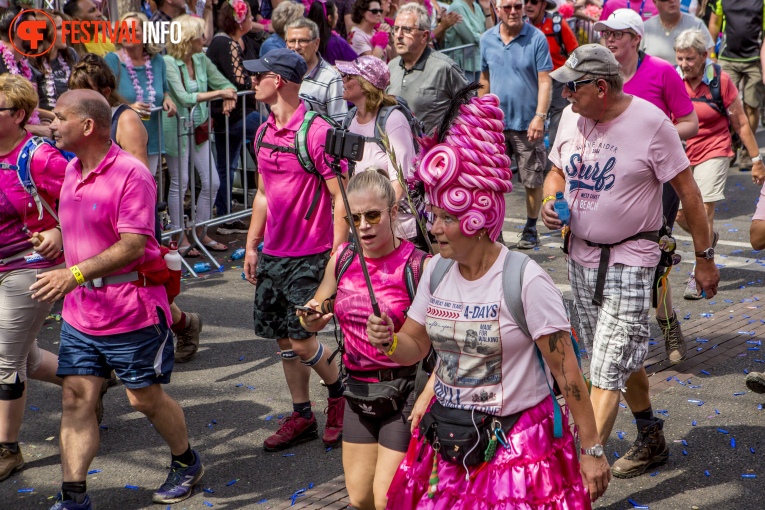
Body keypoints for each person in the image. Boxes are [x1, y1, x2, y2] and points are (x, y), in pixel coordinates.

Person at [367, 92, 610, 508]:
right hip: (450, 438)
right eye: (433, 216)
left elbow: (568, 372)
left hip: (516, 447)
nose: (436, 228)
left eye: (447, 218)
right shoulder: (435, 272)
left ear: (480, 220)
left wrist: (592, 449)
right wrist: (388, 340)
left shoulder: (524, 280)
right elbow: (415, 346)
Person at [542, 44, 719, 480]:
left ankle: (580, 478)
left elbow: (690, 194)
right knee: (616, 356)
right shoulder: (571, 118)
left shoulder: (651, 123)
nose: (566, 96)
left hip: (632, 258)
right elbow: (556, 172)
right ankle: (650, 434)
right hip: (580, 257)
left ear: (601, 87)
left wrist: (705, 258)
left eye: (573, 88)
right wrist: (550, 200)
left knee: (603, 369)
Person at [33, 89, 204, 509]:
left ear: (87, 125)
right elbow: (74, 221)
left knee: (142, 397)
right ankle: (74, 496)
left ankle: (186, 462)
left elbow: (131, 245)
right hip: (80, 314)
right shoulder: (72, 169)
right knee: (76, 398)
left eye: (59, 117)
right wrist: (56, 237)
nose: (52, 125)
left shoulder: (131, 174)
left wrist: (73, 273)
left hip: (133, 309)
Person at [299, 169, 430, 510]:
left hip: (403, 393)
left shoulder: (418, 266)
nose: (364, 226)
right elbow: (318, 307)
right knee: (359, 499)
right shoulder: (342, 258)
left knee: (388, 500)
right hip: (357, 390)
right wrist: (311, 314)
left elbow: (430, 345)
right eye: (354, 218)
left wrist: (391, 340)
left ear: (392, 210)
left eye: (372, 215)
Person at [243, 48, 348, 451]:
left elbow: (340, 198)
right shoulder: (262, 130)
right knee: (284, 342)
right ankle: (302, 414)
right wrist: (253, 245)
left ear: (280, 81)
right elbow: (263, 194)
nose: (252, 81)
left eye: (259, 75)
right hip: (275, 255)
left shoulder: (317, 132)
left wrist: (335, 259)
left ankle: (339, 395)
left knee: (303, 339)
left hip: (312, 254)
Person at [68, 54, 204, 364]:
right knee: (109, 285)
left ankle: (172, 331)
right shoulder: (84, 125)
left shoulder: (124, 119)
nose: (80, 102)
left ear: (105, 92)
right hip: (96, 221)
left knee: (139, 285)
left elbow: (138, 177)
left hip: (127, 222)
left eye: (86, 93)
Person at [594, 8, 698, 364]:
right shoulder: (597, 76)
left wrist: (653, 137)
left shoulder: (661, 71)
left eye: (616, 34)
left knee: (652, 255)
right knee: (605, 253)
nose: (608, 39)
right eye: (605, 33)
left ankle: (666, 323)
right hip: (608, 176)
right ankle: (619, 334)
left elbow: (690, 123)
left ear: (636, 38)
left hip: (658, 179)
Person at [0, 75, 69, 483]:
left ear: (20, 115)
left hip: (31, 265)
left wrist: (60, 232)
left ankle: (7, 449)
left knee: (6, 358)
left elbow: (82, 200)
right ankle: (87, 379)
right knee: (24, 356)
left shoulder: (40, 157)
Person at [675, 29, 765, 299]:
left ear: (704, 56)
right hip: (679, 152)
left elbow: (740, 122)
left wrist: (757, 160)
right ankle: (708, 240)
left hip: (715, 148)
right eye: (679, 58)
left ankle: (698, 271)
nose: (684, 64)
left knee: (703, 210)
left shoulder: (719, 79)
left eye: (689, 59)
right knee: (681, 216)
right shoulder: (672, 78)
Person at [163, 15, 239, 257]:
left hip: (200, 128)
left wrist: (229, 95)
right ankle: (179, 237)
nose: (204, 38)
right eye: (200, 34)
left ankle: (200, 231)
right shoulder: (167, 62)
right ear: (187, 38)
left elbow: (227, 83)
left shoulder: (200, 58)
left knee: (212, 182)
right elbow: (184, 98)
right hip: (176, 129)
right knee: (180, 182)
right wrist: (220, 93)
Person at [480, 0, 552, 250]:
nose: (513, 11)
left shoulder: (537, 38)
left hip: (527, 125)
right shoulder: (486, 39)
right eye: (507, 6)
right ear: (496, 9)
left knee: (532, 179)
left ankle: (531, 229)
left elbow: (545, 81)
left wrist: (539, 116)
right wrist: (481, 115)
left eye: (517, 6)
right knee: (492, 182)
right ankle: (495, 229)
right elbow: (484, 78)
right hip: (496, 127)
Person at [337, 56, 420, 245]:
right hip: (363, 227)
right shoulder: (349, 119)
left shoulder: (393, 120)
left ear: (366, 84)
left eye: (348, 76)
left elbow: (401, 180)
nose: (343, 80)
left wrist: (378, 220)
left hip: (395, 230)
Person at [207, 0, 262, 232]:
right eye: (249, 16)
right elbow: (239, 79)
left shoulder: (237, 41)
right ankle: (225, 216)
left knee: (227, 165)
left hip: (236, 112)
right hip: (232, 114)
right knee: (271, 132)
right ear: (240, 20)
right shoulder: (224, 42)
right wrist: (256, 82)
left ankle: (225, 217)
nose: (252, 20)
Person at [105, 12, 177, 178]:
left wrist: (167, 99)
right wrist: (128, 108)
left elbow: (164, 89)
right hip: (122, 140)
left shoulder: (158, 61)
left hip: (152, 136)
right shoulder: (112, 60)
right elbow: (103, 97)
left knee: (146, 183)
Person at [387, 3, 469, 136]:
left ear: (424, 36)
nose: (399, 35)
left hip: (433, 153)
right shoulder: (391, 67)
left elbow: (471, 108)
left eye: (406, 29)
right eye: (395, 29)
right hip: (395, 151)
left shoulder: (444, 67)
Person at [709, 0, 765, 172]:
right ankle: (733, 141)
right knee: (725, 106)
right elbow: (714, 22)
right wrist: (711, 55)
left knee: (751, 106)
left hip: (754, 60)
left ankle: (748, 151)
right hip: (728, 58)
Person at [525, 0, 579, 147]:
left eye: (534, 2)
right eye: (525, 1)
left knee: (557, 124)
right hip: (533, 82)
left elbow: (575, 53)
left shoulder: (557, 24)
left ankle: (555, 164)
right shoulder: (521, 26)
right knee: (534, 122)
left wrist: (573, 80)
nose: (528, 5)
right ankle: (537, 162)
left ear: (543, 5)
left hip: (558, 82)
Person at [286, 18, 348, 124]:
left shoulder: (331, 77)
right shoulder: (281, 72)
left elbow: (338, 124)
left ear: (316, 44)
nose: (296, 47)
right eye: (292, 41)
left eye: (302, 41)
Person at [31, 11, 80, 112]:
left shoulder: (70, 55)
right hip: (47, 123)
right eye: (59, 28)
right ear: (44, 33)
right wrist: (59, 118)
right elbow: (33, 110)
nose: (66, 31)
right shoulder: (32, 62)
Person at [642, 0, 713, 65]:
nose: (672, 1)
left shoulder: (696, 25)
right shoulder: (645, 28)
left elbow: (709, 60)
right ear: (655, 2)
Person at [444, 0, 494, 84]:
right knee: (467, 96)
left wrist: (487, 10)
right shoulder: (457, 6)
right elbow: (470, 37)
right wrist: (484, 36)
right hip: (462, 65)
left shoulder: (476, 6)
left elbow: (490, 32)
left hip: (478, 62)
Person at [306, 0, 358, 66]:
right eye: (336, 12)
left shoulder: (304, 41)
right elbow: (357, 63)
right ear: (330, 18)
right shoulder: (337, 43)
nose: (337, 15)